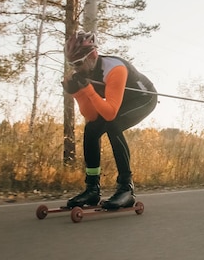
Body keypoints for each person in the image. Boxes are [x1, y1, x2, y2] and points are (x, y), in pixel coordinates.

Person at [62, 30, 157, 209]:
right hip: (119, 102)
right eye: (72, 64)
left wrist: (88, 90)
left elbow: (110, 113)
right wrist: (77, 93)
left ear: (93, 55)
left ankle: (126, 188)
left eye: (79, 63)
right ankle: (92, 189)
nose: (76, 69)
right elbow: (91, 115)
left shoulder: (114, 69)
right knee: (91, 130)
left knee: (114, 125)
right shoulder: (85, 73)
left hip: (143, 98)